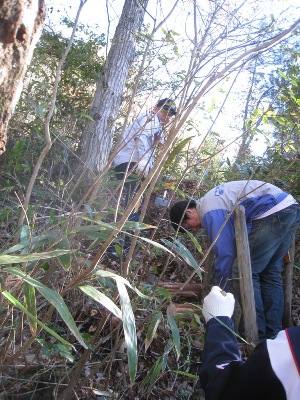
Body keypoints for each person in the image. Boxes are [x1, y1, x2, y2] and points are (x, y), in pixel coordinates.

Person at [169, 180, 300, 339]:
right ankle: (274, 334)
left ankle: (255, 335)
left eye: (189, 226)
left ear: (189, 212)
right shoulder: (212, 201)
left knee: (243, 271)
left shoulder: (209, 211)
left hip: (271, 212)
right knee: (269, 273)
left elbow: (226, 255)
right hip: (289, 207)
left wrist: (219, 290)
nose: (196, 230)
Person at [199, 286, 300, 400]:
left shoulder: (289, 354)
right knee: (271, 277)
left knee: (255, 277)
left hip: (273, 357)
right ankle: (269, 334)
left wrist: (219, 320)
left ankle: (261, 334)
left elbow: (228, 390)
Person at [110, 98, 177, 253]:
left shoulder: (154, 125)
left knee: (132, 204)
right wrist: (144, 163)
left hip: (126, 163)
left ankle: (119, 245)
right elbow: (142, 138)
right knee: (134, 205)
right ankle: (119, 248)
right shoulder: (150, 119)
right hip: (131, 163)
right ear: (155, 108)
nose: (167, 116)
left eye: (170, 114)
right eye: (165, 111)